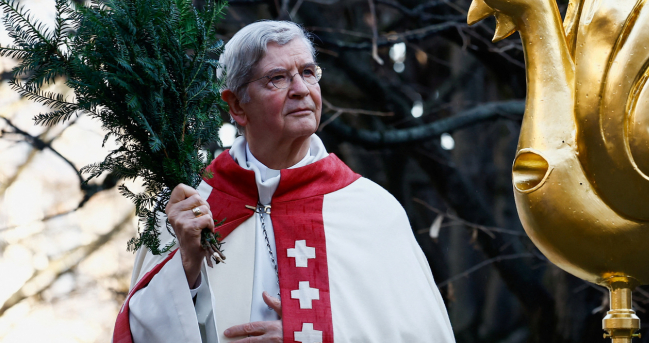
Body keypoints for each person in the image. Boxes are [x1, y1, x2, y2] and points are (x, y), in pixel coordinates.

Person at [114, 21, 455, 343]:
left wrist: (313, 335)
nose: (301, 89)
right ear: (236, 105)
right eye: (277, 78)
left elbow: (423, 333)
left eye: (308, 73)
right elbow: (139, 334)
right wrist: (186, 266)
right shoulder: (188, 206)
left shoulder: (370, 210)